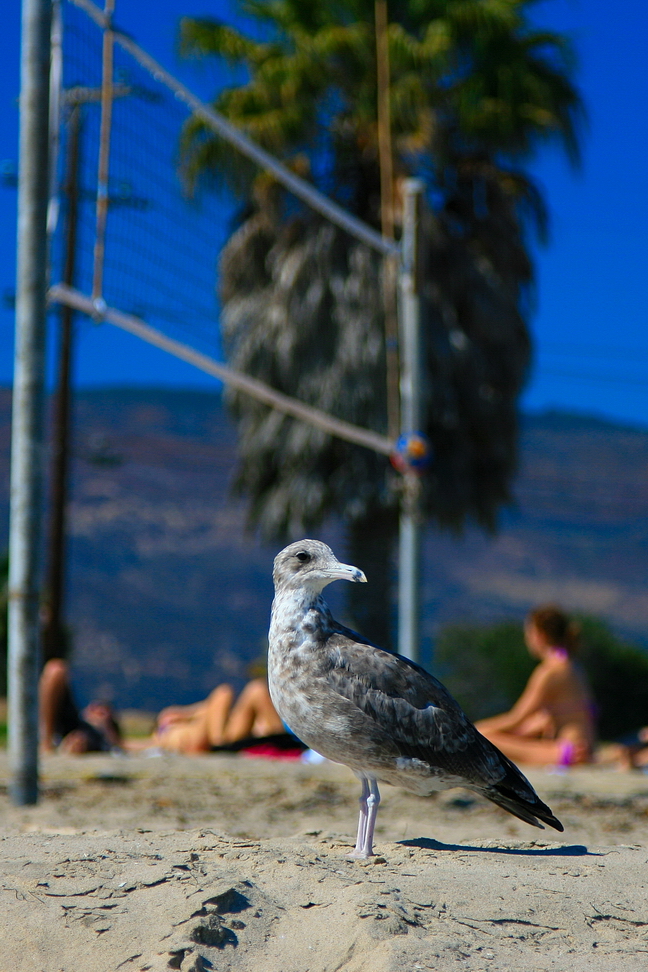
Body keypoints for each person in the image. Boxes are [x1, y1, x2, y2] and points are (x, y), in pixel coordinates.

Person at [475, 605, 596, 767]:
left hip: (567, 752)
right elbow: (538, 722)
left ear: (540, 635)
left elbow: (515, 719)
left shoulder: (550, 671)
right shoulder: (573, 667)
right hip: (583, 749)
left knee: (483, 737)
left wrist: (475, 728)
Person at [128, 675, 305, 758]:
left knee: (256, 689)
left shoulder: (195, 719)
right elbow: (136, 745)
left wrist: (185, 714)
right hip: (214, 744)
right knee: (224, 692)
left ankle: (282, 741)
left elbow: (210, 709)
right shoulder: (163, 734)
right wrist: (183, 714)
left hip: (220, 738)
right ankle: (281, 741)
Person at [39, 658, 122, 754]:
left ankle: (48, 744)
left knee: (56, 669)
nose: (95, 710)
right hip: (67, 728)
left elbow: (132, 746)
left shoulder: (103, 737)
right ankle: (47, 742)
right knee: (56, 669)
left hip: (86, 736)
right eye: (94, 707)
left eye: (102, 712)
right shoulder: (76, 720)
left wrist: (112, 736)